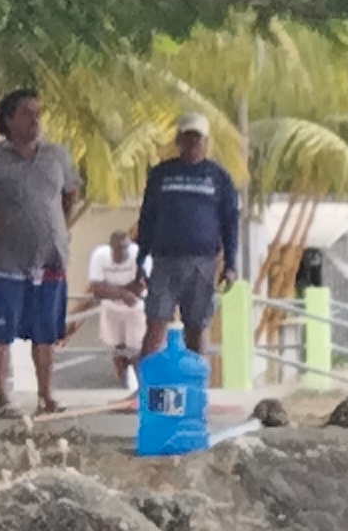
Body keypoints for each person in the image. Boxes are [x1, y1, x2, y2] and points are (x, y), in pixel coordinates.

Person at [0, 87, 86, 417]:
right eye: (27, 113)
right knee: (0, 331)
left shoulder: (56, 155)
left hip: (50, 257)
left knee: (46, 331)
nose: (35, 120)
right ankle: (3, 398)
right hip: (8, 258)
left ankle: (46, 395)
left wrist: (60, 226)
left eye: (38, 113)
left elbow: (70, 193)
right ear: (9, 119)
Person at [136, 112, 242, 360]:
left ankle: (196, 380)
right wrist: (141, 259)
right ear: (178, 140)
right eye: (188, 137)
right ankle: (145, 381)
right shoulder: (161, 174)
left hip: (202, 264)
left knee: (196, 328)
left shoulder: (219, 177)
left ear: (206, 142)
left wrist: (230, 264)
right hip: (164, 261)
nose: (193, 143)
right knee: (155, 325)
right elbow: (147, 217)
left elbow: (230, 222)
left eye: (198, 138)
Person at [80, 227, 150, 383]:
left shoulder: (138, 255)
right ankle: (122, 384)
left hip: (135, 307)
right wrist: (123, 293)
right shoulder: (100, 256)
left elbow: (141, 286)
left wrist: (111, 289)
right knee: (116, 350)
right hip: (111, 307)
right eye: (118, 248)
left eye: (124, 248)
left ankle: (141, 385)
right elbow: (97, 289)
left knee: (136, 349)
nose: (121, 252)